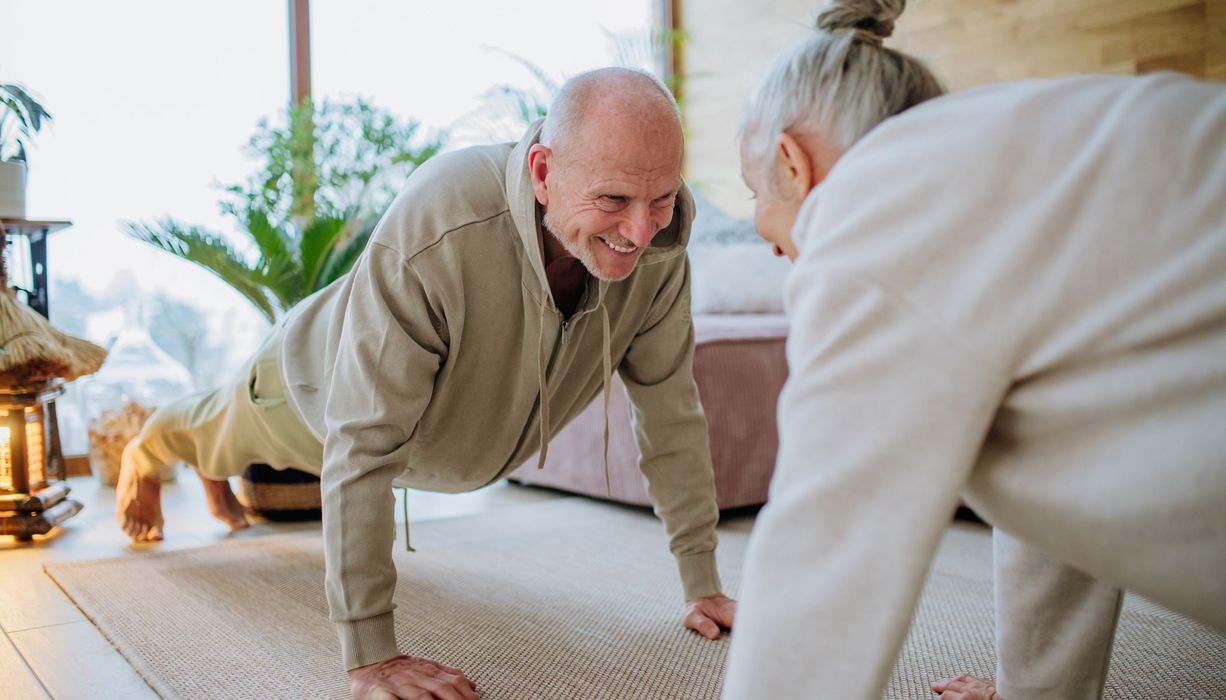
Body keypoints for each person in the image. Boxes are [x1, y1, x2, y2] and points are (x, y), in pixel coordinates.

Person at [116, 67, 738, 700]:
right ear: (545, 173)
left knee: (225, 448)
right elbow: (362, 443)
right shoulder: (441, 219)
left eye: (660, 198)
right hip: (311, 389)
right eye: (612, 200)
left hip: (424, 440)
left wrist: (703, 582)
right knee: (212, 430)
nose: (640, 232)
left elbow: (671, 413)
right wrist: (370, 656)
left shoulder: (660, 248)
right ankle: (149, 445)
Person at [722, 1, 1226, 699]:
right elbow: (1057, 477)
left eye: (754, 193)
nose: (759, 231)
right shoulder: (1007, 151)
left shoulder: (870, 210)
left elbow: (823, 554)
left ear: (792, 163)